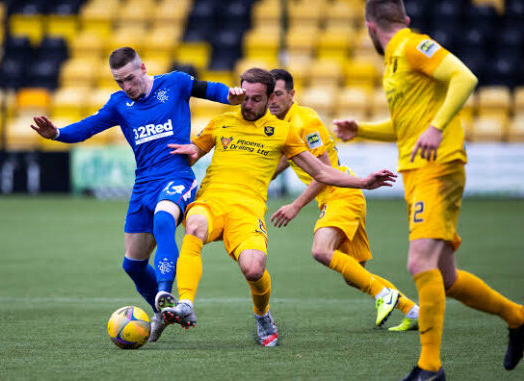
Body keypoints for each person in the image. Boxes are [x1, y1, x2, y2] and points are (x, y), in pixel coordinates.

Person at [334, 1, 524, 379]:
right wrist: (364, 131)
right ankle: (518, 318)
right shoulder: (394, 60)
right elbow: (408, 124)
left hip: (438, 168)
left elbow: (464, 78)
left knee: (419, 263)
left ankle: (429, 368)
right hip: (417, 172)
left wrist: (437, 127)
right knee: (446, 277)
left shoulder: (410, 46)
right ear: (401, 18)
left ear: (370, 27)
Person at [161, 68, 396, 347]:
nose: (248, 105)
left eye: (256, 99)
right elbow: (195, 150)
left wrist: (363, 182)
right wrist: (190, 153)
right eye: (245, 97)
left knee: (254, 268)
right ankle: (186, 302)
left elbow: (321, 172)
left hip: (247, 210)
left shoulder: (284, 132)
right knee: (195, 225)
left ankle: (263, 316)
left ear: (270, 97)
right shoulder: (221, 122)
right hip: (211, 201)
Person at [31, 46, 246, 342]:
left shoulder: (175, 83)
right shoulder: (119, 104)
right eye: (120, 82)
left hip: (177, 177)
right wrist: (57, 134)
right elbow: (87, 128)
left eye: (130, 79)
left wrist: (231, 96)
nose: (126, 87)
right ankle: (162, 313)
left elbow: (212, 90)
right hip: (143, 185)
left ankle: (165, 295)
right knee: (131, 264)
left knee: (163, 220)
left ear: (143, 68)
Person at [267, 68, 420, 331]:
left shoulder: (305, 120)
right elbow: (283, 160)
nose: (272, 100)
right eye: (269, 95)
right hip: (340, 198)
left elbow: (326, 172)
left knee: (321, 250)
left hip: (341, 194)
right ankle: (414, 311)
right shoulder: (282, 126)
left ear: (292, 94)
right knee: (355, 275)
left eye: (278, 94)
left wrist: (295, 205)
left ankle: (383, 295)